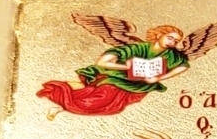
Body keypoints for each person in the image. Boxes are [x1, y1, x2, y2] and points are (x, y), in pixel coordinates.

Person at [38, 26, 189, 118]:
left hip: (139, 85)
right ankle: (61, 97)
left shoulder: (172, 55)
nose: (172, 43)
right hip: (117, 78)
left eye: (176, 41)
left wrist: (160, 77)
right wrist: (127, 67)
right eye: (170, 38)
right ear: (159, 35)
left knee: (113, 106)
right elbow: (102, 62)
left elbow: (183, 66)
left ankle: (63, 104)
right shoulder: (138, 48)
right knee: (101, 99)